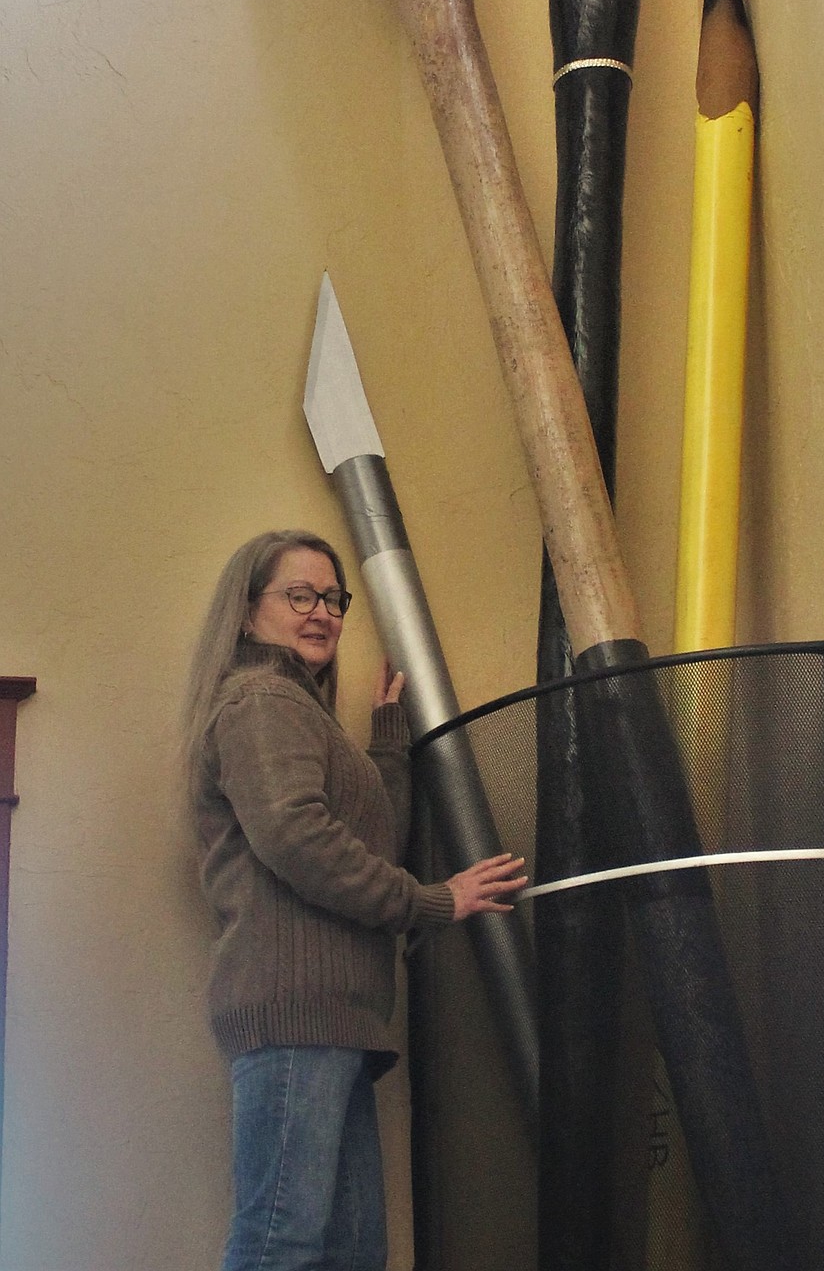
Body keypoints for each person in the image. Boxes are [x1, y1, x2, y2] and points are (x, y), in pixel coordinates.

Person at [181, 528, 525, 1271]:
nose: (322, 612)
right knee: (283, 1243)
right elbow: (297, 839)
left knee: (349, 1252)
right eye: (298, 594)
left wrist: (387, 747)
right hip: (296, 1008)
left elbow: (362, 848)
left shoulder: (299, 713)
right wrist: (436, 902)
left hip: (335, 1017)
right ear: (246, 614)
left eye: (332, 598)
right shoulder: (261, 701)